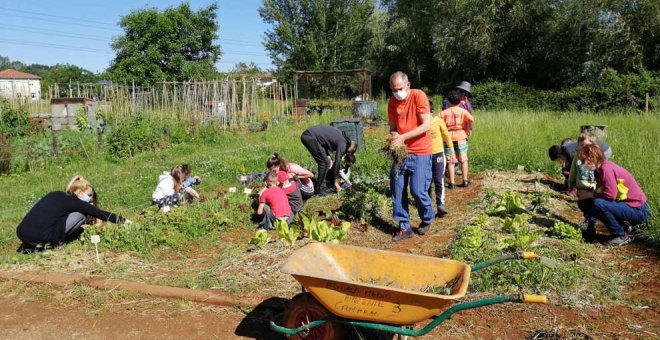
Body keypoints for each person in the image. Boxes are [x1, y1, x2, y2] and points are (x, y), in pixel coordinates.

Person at [16, 175, 128, 252]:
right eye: (89, 195)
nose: (90, 200)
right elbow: (101, 213)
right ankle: (49, 245)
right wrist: (125, 221)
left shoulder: (56, 195)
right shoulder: (75, 202)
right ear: (79, 192)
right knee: (79, 215)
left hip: (21, 233)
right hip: (41, 237)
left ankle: (29, 245)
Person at [388, 71, 434, 241]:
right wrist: (394, 137)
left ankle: (427, 217)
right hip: (401, 152)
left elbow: (426, 125)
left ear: (408, 85)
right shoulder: (392, 102)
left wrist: (403, 137)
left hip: (420, 151)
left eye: (400, 88)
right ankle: (404, 226)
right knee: (397, 188)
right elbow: (393, 127)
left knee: (417, 190)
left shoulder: (418, 96)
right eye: (394, 89)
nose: (397, 92)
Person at [575, 144, 650, 246]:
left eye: (584, 161)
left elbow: (610, 196)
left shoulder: (606, 169)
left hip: (638, 210)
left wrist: (589, 194)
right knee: (584, 202)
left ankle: (620, 235)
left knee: (598, 203)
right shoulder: (599, 169)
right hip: (625, 206)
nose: (582, 164)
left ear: (592, 159)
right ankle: (590, 228)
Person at [300, 125, 357, 195]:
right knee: (325, 163)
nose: (345, 153)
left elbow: (324, 141)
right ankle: (318, 189)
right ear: (349, 149)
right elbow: (337, 162)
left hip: (313, 137)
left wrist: (329, 158)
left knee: (328, 162)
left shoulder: (343, 138)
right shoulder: (343, 143)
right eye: (347, 152)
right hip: (310, 136)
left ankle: (325, 183)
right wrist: (336, 181)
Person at [442, 89, 474, 188]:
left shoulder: (444, 113)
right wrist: (467, 130)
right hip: (461, 136)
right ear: (460, 101)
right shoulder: (463, 111)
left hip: (448, 137)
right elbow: (471, 119)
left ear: (448, 101)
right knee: (463, 159)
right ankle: (465, 180)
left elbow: (438, 122)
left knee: (451, 160)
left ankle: (452, 183)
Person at [429, 100, 453, 217]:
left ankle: (440, 205)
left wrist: (451, 152)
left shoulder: (438, 121)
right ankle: (428, 206)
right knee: (426, 182)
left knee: (438, 180)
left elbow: (446, 136)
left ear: (431, 110)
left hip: (438, 154)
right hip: (424, 155)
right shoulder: (418, 123)